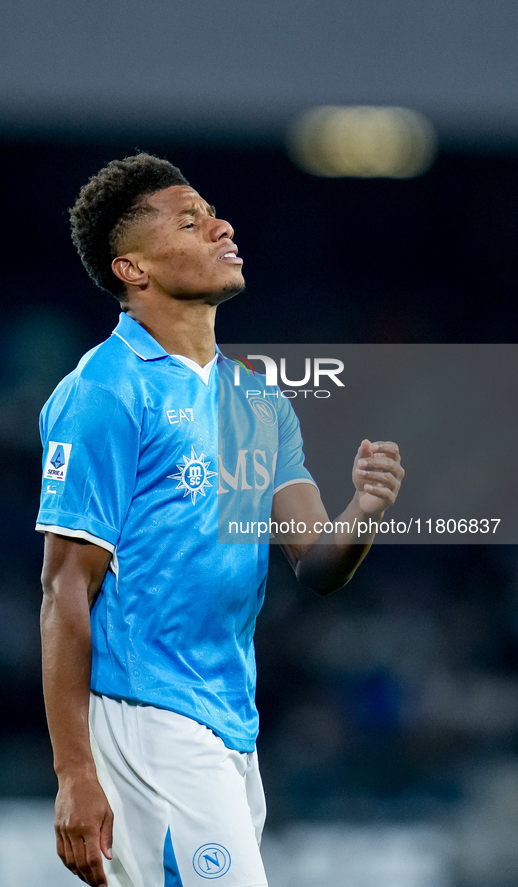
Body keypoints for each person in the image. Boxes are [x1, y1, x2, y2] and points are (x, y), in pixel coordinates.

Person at [37, 152, 404, 887]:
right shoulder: (105, 391)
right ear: (132, 269)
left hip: (230, 723)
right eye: (190, 220)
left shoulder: (258, 400)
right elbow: (63, 591)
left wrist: (362, 510)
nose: (221, 226)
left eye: (213, 213)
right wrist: (75, 771)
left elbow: (317, 562)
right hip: (147, 716)